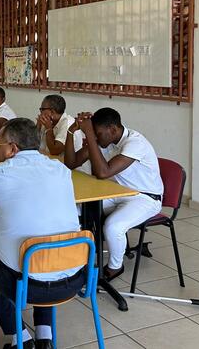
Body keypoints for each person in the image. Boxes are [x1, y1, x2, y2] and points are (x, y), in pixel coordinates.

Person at [0, 119, 84, 349]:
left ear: (12, 148)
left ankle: (20, 337)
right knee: (47, 247)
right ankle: (45, 336)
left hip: (29, 284)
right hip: (74, 276)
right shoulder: (60, 170)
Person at [64, 107, 163, 281]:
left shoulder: (135, 143)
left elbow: (103, 172)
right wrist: (72, 131)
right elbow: (71, 163)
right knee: (76, 210)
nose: (95, 137)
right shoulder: (105, 141)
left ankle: (115, 267)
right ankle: (78, 257)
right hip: (118, 192)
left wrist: (89, 134)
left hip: (146, 197)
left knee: (113, 227)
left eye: (98, 133)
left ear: (113, 129)